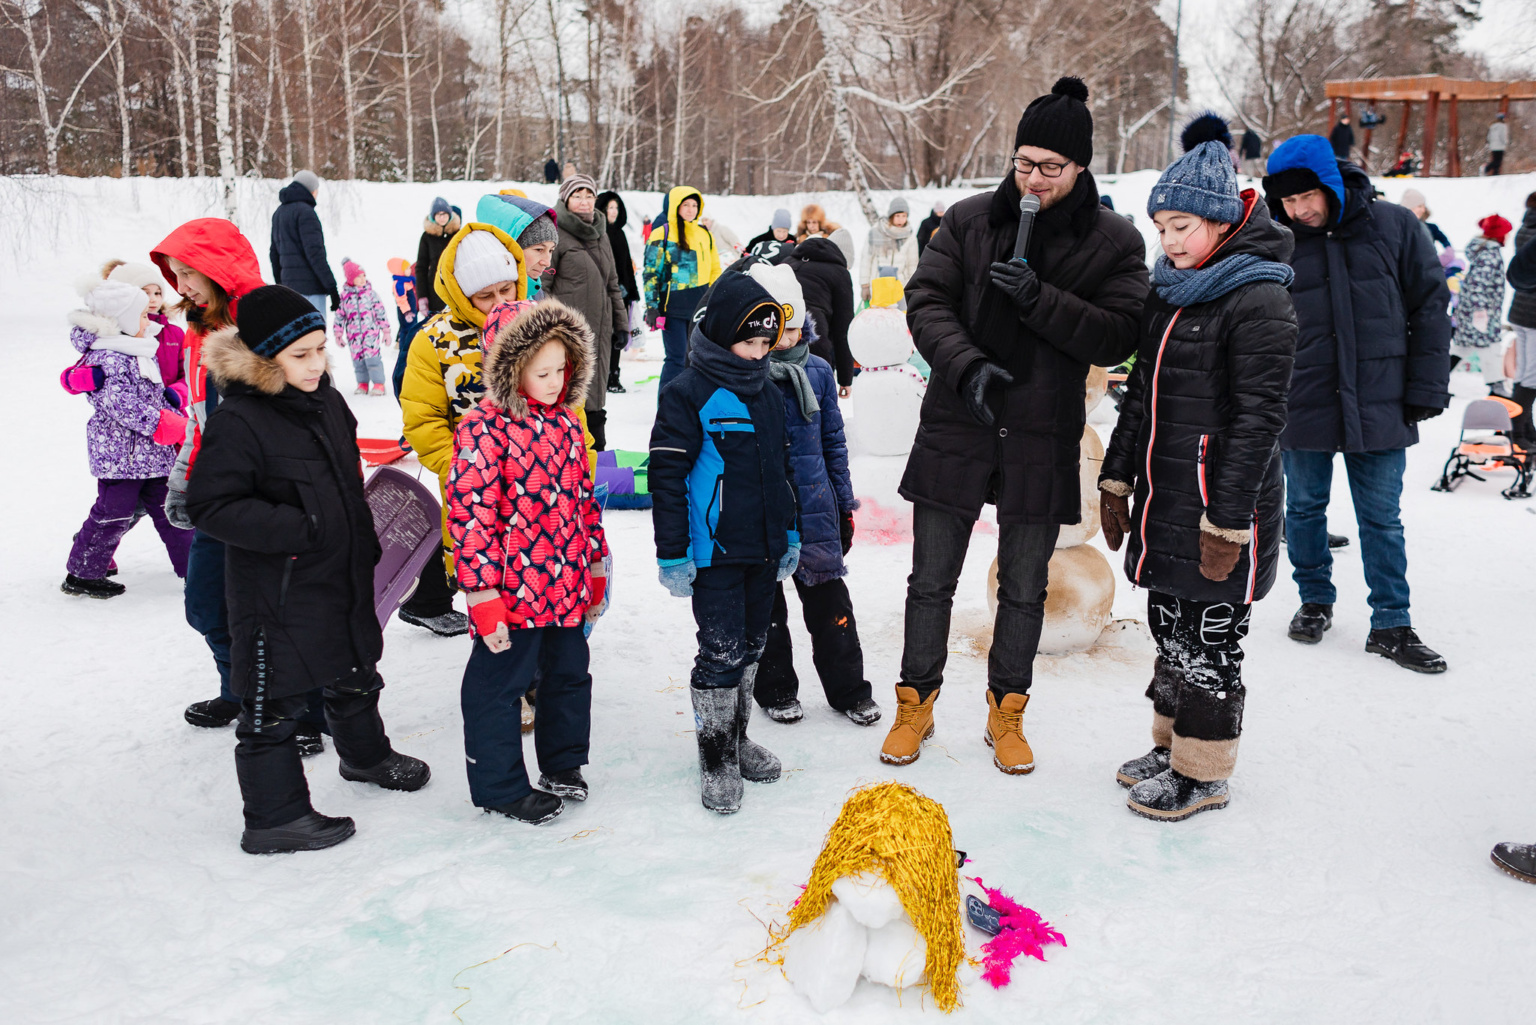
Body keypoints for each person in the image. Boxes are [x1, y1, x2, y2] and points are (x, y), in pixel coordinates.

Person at [881, 76, 1149, 772]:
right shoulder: (969, 221)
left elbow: (1119, 334)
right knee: (930, 578)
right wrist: (965, 364)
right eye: (1024, 163)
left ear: (1081, 168)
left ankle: (1008, 710)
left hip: (1040, 431)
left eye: (1050, 168)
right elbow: (926, 299)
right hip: (959, 420)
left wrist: (1042, 300)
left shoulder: (1114, 242)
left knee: (1025, 584)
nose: (1033, 179)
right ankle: (916, 701)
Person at [1098, 113, 1298, 821]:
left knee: (1211, 642)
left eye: (1183, 226)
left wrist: (1228, 518)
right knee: (1170, 626)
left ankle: (1203, 771)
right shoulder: (1170, 289)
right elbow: (1141, 394)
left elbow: (1259, 420)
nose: (1171, 242)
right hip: (1166, 495)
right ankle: (1172, 745)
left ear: (1219, 221)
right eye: (1162, 228)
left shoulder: (1260, 297)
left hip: (1219, 504)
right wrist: (1118, 476)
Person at [187, 285, 430, 854]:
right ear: (264, 356)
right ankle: (276, 817)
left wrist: (361, 540)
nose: (317, 363)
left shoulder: (328, 401)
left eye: (322, 348)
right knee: (273, 703)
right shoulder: (240, 421)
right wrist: (305, 531)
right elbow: (210, 505)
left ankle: (365, 757)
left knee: (353, 666)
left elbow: (346, 483)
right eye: (301, 354)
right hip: (278, 586)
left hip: (339, 571)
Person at [1262, 134, 1452, 672]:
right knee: (1301, 509)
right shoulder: (1278, 240)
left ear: (1330, 183)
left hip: (1380, 398)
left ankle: (1391, 622)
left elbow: (1431, 307)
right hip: (1304, 397)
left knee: (1382, 519)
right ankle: (1314, 600)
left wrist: (1425, 387)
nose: (1299, 210)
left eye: (1307, 198)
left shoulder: (1395, 226)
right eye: (1288, 203)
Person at [447, 299, 607, 826]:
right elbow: (471, 518)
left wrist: (596, 565)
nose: (556, 381)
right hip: (511, 594)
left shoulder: (564, 424)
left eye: (563, 369)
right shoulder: (481, 429)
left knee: (568, 675)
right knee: (497, 687)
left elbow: (583, 500)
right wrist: (482, 595)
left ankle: (562, 764)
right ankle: (500, 787)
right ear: (510, 367)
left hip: (563, 585)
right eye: (542, 371)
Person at [649, 269, 798, 814]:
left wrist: (791, 534)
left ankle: (737, 740)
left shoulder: (769, 393)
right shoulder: (686, 395)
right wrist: (673, 554)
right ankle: (715, 757)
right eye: (749, 341)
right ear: (718, 336)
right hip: (713, 554)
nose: (759, 354)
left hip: (762, 549)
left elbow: (783, 472)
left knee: (754, 645)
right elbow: (666, 478)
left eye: (766, 343)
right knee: (720, 653)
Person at [745, 261, 880, 728]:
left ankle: (849, 690)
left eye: (795, 328)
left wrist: (844, 505)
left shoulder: (819, 372)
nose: (786, 340)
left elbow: (833, 444)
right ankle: (776, 688)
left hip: (816, 509)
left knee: (832, 608)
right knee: (767, 611)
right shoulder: (744, 374)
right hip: (763, 514)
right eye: (778, 330)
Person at [151, 219, 268, 732]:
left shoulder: (265, 326)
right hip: (216, 499)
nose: (181, 287)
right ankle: (239, 690)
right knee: (205, 605)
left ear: (219, 270)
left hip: (265, 501)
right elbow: (200, 422)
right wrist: (183, 481)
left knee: (269, 614)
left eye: (188, 274)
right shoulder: (201, 331)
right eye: (174, 275)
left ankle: (287, 708)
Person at [398, 219, 540, 638]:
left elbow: (572, 408)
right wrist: (461, 471)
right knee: (489, 588)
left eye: (506, 289)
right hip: (477, 490)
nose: (498, 302)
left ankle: (537, 674)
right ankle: (499, 675)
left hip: (543, 484)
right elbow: (423, 420)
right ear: (462, 294)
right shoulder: (434, 343)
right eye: (484, 296)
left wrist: (578, 465)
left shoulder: (539, 324)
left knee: (541, 586)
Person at [62, 276, 193, 597]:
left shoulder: (137, 350)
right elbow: (120, 404)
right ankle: (83, 572)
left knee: (171, 512)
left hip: (154, 455)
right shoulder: (109, 357)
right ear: (121, 320)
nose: (149, 320)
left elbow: (151, 393)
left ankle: (198, 570)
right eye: (142, 316)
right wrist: (161, 422)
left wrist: (170, 409)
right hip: (122, 457)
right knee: (113, 513)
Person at [548, 174, 625, 450]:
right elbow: (542, 285)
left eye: (589, 195)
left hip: (600, 331)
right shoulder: (554, 233)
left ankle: (596, 453)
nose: (584, 201)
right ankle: (567, 453)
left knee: (595, 396)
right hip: (567, 335)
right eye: (577, 195)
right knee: (568, 395)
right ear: (566, 199)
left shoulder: (601, 233)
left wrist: (622, 323)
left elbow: (612, 282)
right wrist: (551, 329)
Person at [643, 186, 722, 392]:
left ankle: (690, 407)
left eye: (694, 205)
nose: (690, 209)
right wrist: (652, 306)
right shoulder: (662, 234)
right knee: (676, 359)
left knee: (697, 360)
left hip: (700, 308)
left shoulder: (705, 234)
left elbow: (715, 269)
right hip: (673, 309)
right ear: (676, 206)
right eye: (685, 205)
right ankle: (667, 409)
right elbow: (651, 272)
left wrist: (713, 299)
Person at [784, 236, 857, 395]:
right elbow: (843, 329)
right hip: (814, 342)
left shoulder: (787, 263)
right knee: (816, 402)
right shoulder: (839, 273)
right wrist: (845, 379)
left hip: (777, 339)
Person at [1451, 215, 1513, 396]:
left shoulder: (1486, 252)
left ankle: (1435, 381)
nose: (1508, 237)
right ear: (1498, 235)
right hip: (1481, 314)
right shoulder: (1490, 255)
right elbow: (1478, 285)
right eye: (1506, 233)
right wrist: (1480, 313)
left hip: (1475, 312)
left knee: (1462, 348)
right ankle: (1497, 388)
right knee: (1490, 347)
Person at [268, 170, 338, 320]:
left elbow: (274, 253)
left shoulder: (279, 213)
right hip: (311, 290)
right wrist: (332, 287)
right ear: (311, 190)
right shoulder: (306, 213)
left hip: (289, 291)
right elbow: (315, 254)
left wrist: (281, 284)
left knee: (296, 338)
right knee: (315, 337)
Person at [596, 189, 640, 393]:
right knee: (604, 336)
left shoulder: (619, 233)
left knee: (617, 336)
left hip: (620, 293)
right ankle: (602, 376)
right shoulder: (599, 233)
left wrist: (631, 291)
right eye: (609, 207)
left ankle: (614, 375)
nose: (613, 212)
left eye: (616, 208)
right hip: (603, 292)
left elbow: (625, 266)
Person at [334, 259, 392, 396]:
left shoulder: (371, 294)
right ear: (350, 279)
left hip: (370, 334)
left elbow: (380, 313)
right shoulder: (344, 297)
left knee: (373, 360)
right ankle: (362, 383)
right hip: (353, 336)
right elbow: (339, 315)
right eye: (358, 276)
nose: (362, 279)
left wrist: (386, 331)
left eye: (363, 275)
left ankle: (379, 384)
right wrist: (338, 333)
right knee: (358, 361)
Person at [1507, 192, 1536, 448]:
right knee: (1532, 375)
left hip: (1520, 309)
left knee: (1525, 371)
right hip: (1533, 313)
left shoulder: (1525, 227)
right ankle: (1517, 431)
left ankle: (1526, 426)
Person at [860, 197, 919, 303]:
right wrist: (865, 285)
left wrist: (912, 288)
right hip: (878, 285)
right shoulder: (876, 231)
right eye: (897, 216)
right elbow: (866, 259)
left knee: (899, 318)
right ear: (891, 216)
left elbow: (912, 264)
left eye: (904, 216)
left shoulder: (910, 236)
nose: (901, 219)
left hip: (900, 286)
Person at [415, 198, 462, 319]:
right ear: (433, 217)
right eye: (438, 214)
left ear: (450, 215)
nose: (442, 217)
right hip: (434, 291)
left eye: (444, 214)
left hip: (456, 287)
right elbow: (421, 267)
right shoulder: (427, 237)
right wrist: (422, 296)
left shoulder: (457, 234)